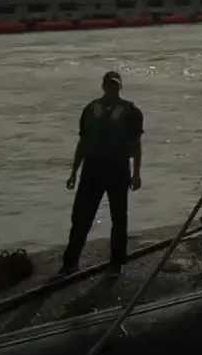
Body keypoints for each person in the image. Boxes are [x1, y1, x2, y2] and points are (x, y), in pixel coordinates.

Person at [61, 70, 143, 273]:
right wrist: (73, 171)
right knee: (81, 215)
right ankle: (70, 262)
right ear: (103, 86)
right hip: (92, 168)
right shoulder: (90, 109)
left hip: (118, 168)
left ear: (120, 86)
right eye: (109, 84)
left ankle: (117, 262)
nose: (112, 87)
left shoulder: (131, 111)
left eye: (116, 84)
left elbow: (136, 143)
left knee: (119, 216)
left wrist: (137, 173)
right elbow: (83, 141)